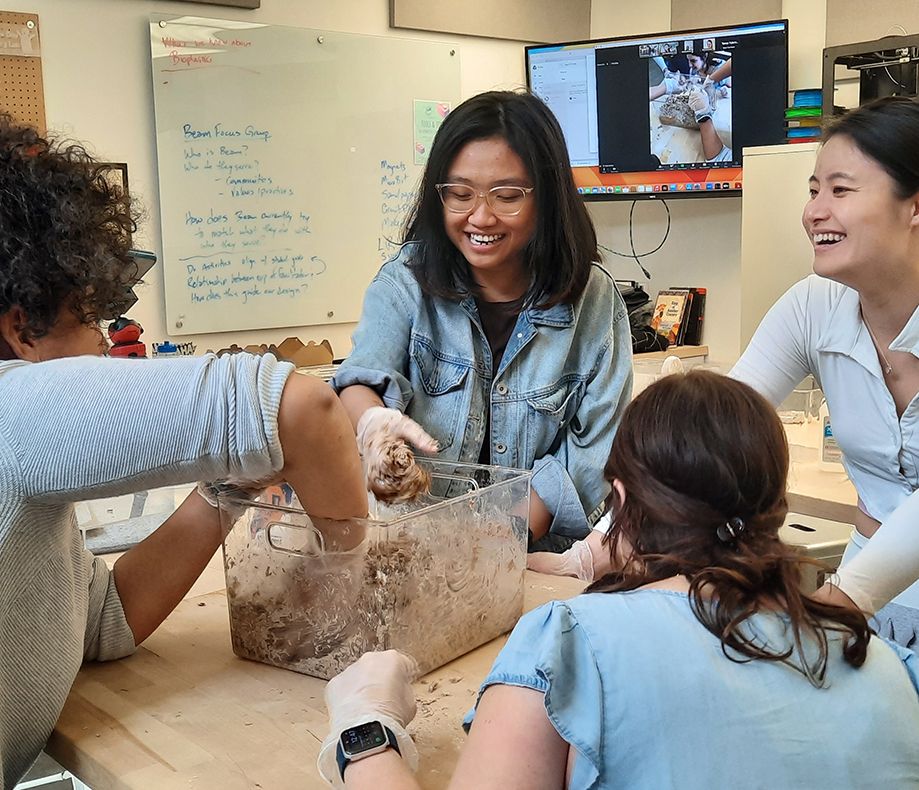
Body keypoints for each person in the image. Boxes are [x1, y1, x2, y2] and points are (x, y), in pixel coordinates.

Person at [320, 371, 919, 790]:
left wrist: (365, 728)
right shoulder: (889, 666)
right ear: (777, 510)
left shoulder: (568, 645)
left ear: (624, 501)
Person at [0, 118, 368, 787]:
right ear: (21, 329)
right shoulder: (12, 413)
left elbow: (101, 625)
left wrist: (224, 488)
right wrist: (355, 580)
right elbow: (301, 407)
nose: (108, 345)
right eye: (94, 320)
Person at [330, 91, 633, 546]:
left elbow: (593, 455)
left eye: (507, 196)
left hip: (531, 554)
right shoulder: (405, 283)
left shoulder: (593, 302)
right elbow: (363, 378)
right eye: (460, 193)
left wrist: (493, 543)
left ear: (546, 198)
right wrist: (373, 423)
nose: (480, 216)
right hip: (410, 544)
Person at [729, 96, 919, 649]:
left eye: (840, 190)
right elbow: (713, 425)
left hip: (859, 595)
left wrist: (833, 605)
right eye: (814, 190)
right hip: (873, 600)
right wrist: (596, 550)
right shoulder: (815, 305)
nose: (814, 210)